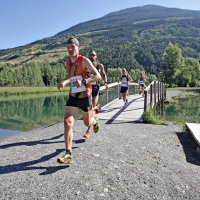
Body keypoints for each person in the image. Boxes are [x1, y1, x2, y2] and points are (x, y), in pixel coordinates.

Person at [56, 37, 101, 164]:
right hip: (73, 97)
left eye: (73, 47)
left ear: (78, 48)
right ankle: (68, 154)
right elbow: (71, 78)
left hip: (85, 97)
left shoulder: (84, 61)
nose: (70, 49)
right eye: (68, 47)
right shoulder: (67, 63)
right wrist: (63, 83)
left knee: (87, 123)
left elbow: (98, 76)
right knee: (67, 123)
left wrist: (85, 81)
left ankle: (95, 120)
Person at [83, 50, 108, 139]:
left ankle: (88, 131)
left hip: (96, 88)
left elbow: (104, 74)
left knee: (91, 108)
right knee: (90, 108)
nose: (91, 56)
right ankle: (98, 108)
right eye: (90, 55)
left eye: (93, 55)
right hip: (88, 89)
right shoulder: (86, 65)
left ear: (96, 56)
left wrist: (105, 82)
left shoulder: (99, 65)